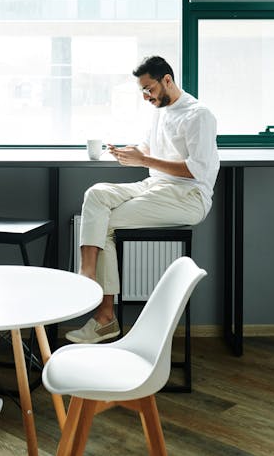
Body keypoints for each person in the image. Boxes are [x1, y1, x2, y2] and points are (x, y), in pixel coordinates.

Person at [66, 55, 219, 344]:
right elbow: (148, 149)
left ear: (167, 80)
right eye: (142, 91)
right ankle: (86, 275)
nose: (146, 96)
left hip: (189, 195)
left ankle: (105, 318)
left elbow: (195, 169)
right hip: (155, 186)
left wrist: (144, 158)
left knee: (105, 224)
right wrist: (129, 153)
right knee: (96, 194)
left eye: (149, 89)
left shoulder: (199, 115)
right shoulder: (159, 111)